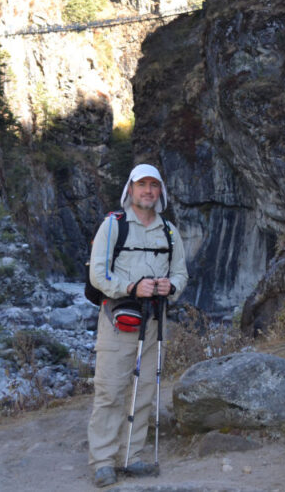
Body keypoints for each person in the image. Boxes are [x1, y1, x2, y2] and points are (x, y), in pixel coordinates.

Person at [87, 163, 188, 488]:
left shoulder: (169, 232)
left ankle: (131, 457)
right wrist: (132, 288)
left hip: (154, 323)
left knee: (145, 390)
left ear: (161, 192)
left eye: (153, 185)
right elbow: (98, 275)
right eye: (141, 184)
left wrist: (168, 288)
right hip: (118, 323)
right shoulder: (113, 227)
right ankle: (103, 461)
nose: (148, 191)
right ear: (129, 189)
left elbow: (181, 274)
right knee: (111, 391)